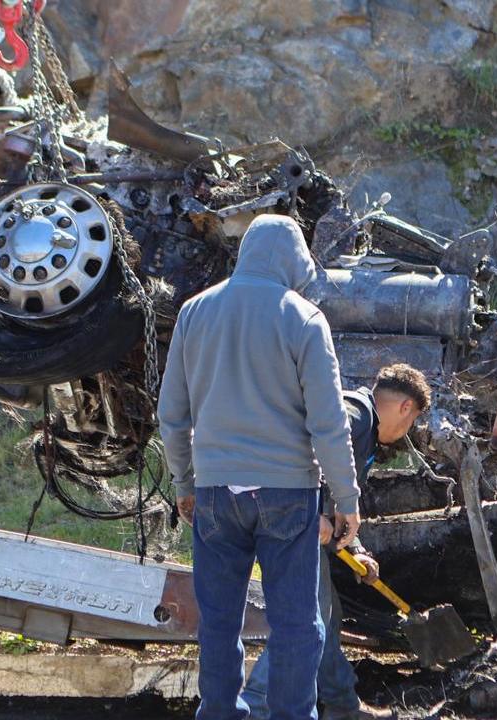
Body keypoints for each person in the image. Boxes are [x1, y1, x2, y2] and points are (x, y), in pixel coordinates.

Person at [158, 214, 362, 720]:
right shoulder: (304, 319)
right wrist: (346, 498)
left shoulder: (194, 312)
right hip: (287, 493)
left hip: (214, 492)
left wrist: (184, 482)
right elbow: (329, 422)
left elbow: (172, 414)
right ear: (294, 262)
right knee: (296, 625)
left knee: (219, 621)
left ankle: (219, 713)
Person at [243, 364, 432, 720]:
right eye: (411, 422)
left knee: (326, 619)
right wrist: (310, 511)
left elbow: (337, 498)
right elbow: (302, 444)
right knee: (303, 621)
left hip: (297, 523)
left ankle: (342, 705)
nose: (406, 431)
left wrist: (356, 549)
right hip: (291, 521)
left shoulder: (365, 430)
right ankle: (255, 707)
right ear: (405, 407)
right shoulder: (355, 413)